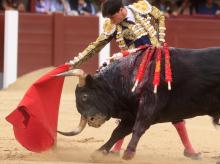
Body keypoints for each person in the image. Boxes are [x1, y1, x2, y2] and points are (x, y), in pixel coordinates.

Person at [68, 0, 201, 159]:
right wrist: (74, 63)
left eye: (112, 16)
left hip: (157, 62)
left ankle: (189, 148)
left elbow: (159, 16)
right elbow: (96, 45)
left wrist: (159, 40)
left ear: (121, 10)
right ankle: (117, 149)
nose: (110, 21)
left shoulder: (141, 7)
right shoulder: (113, 26)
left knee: (170, 103)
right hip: (134, 69)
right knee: (129, 107)